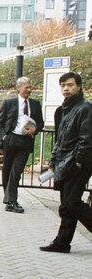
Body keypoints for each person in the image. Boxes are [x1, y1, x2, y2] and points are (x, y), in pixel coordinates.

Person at [40, 72, 92, 253]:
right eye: (63, 85)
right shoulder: (63, 109)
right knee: (70, 204)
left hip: (77, 164)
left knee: (70, 204)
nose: (66, 88)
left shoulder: (85, 108)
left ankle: (62, 242)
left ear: (79, 86)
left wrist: (79, 162)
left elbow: (86, 138)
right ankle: (62, 243)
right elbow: (60, 139)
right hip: (64, 162)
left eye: (70, 85)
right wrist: (53, 161)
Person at [0, 76, 44, 213]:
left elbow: (40, 122)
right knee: (7, 171)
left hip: (25, 141)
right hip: (11, 139)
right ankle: (9, 199)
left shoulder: (35, 104)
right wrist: (4, 136)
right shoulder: (9, 103)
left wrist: (36, 129)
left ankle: (11, 201)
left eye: (30, 87)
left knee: (16, 171)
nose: (29, 90)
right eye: (26, 87)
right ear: (18, 88)